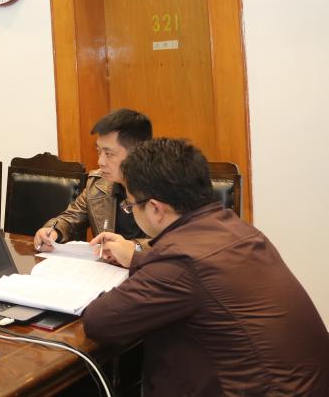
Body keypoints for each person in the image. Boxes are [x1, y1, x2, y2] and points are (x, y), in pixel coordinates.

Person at [82, 138, 329, 395]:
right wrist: (137, 258)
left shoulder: (179, 261)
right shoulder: (234, 227)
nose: (130, 210)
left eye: (130, 205)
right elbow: (196, 275)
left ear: (155, 208)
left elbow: (101, 321)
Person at [34, 108, 152, 257]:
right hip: (105, 268)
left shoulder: (165, 189)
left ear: (137, 153)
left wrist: (134, 247)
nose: (100, 162)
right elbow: (70, 219)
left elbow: (171, 241)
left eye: (108, 153)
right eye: (99, 151)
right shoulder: (98, 184)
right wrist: (52, 231)